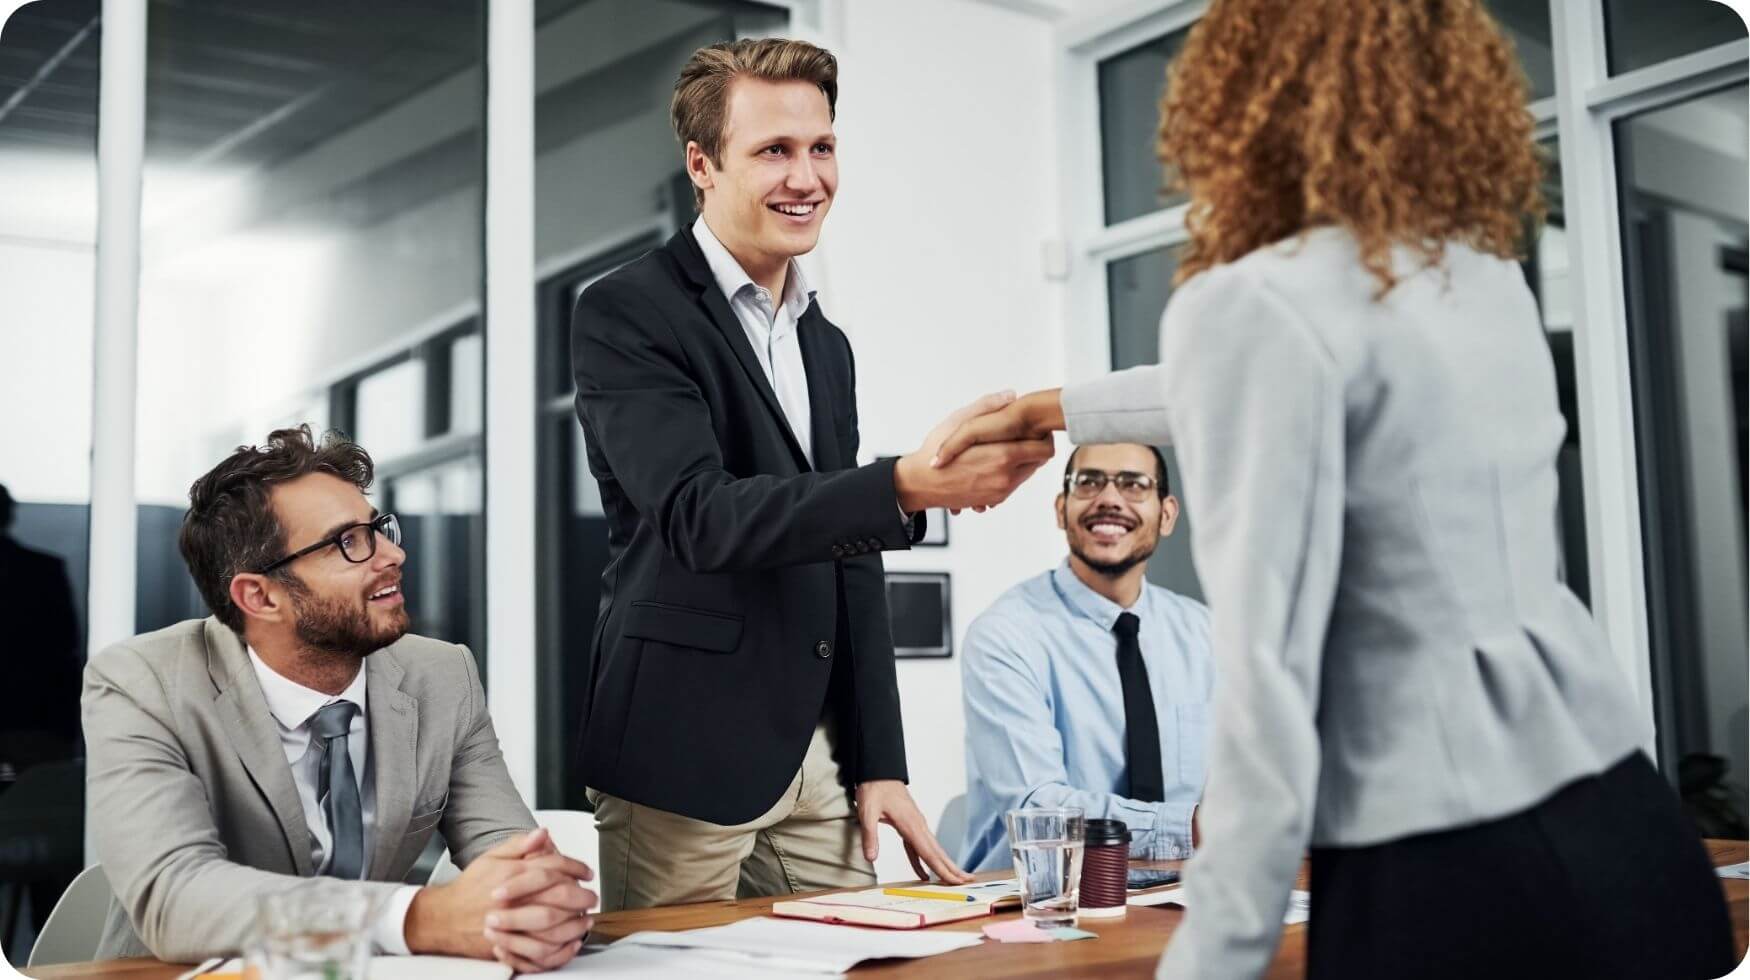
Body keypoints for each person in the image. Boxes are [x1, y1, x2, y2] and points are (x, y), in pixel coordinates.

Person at [934, 1, 1736, 977]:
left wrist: (1217, 954)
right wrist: (1050, 407)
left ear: (1240, 93)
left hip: (1446, 867)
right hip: (1625, 828)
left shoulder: (1250, 304)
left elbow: (1270, 690)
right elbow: (1297, 384)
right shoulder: (1478, 276)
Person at [570, 37, 1051, 911]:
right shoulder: (625, 310)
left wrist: (880, 761)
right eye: (774, 151)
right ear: (703, 165)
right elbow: (699, 517)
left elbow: (849, 553)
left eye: (821, 147)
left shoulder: (825, 346)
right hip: (682, 751)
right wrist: (901, 485)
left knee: (858, 957)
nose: (807, 177)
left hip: (815, 756)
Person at [83, 428, 596, 973]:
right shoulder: (142, 684)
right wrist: (415, 917)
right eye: (348, 541)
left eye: (380, 528)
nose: (394, 554)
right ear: (260, 595)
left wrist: (538, 903)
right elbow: (176, 895)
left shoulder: (443, 674)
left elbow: (506, 849)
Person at [959, 443, 1212, 872]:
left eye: (1134, 484)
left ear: (1167, 514)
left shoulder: (1206, 634)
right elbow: (1039, 809)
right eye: (1089, 482)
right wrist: (1192, 828)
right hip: (1037, 901)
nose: (1109, 499)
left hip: (1182, 891)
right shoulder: (1005, 635)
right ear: (1061, 510)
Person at [0, 483, 82, 769]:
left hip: (35, 715)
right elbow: (64, 647)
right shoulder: (42, 569)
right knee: (40, 804)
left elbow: (63, 646)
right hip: (36, 714)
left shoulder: (43, 569)